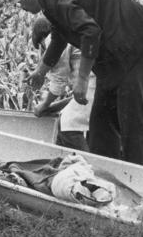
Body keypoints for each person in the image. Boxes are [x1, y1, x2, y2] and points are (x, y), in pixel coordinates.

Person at [12, 0, 143, 165]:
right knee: (100, 122)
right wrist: (40, 72)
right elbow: (59, 39)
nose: (21, 8)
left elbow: (90, 31)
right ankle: (105, 173)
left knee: (131, 114)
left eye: (19, 3)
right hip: (110, 56)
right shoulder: (49, 3)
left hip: (131, 40)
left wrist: (82, 79)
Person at [30, 16, 96, 151]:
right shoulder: (69, 33)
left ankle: (88, 166)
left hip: (92, 82)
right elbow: (75, 99)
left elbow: (59, 81)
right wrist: (52, 106)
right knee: (90, 129)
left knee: (68, 126)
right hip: (95, 84)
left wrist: (44, 105)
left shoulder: (52, 40)